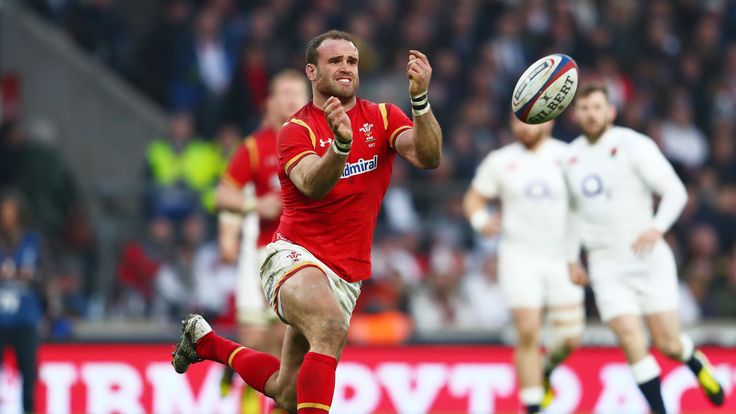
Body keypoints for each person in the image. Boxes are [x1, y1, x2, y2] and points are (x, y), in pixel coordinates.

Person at [172, 29, 442, 413]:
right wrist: (340, 147)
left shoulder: (383, 116)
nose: (346, 68)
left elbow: (429, 157)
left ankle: (206, 343)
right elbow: (312, 184)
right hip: (292, 256)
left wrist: (419, 100)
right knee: (329, 327)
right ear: (312, 73)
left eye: (351, 61)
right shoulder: (294, 130)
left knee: (287, 390)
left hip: (347, 274)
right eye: (335, 61)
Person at [564, 84, 725, 413]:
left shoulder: (633, 145)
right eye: (584, 108)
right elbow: (571, 214)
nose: (591, 114)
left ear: (611, 112)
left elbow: (675, 192)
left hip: (646, 257)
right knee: (629, 336)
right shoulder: (569, 159)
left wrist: (656, 228)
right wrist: (570, 258)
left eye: (597, 107)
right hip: (605, 264)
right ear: (575, 114)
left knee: (667, 343)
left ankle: (694, 361)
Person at [463, 115, 584, 414]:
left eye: (530, 121)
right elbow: (473, 200)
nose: (523, 128)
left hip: (561, 257)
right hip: (519, 256)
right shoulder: (500, 161)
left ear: (549, 122)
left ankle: (544, 371)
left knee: (569, 338)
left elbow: (586, 209)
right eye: (517, 122)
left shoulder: (568, 157)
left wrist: (583, 256)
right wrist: (481, 221)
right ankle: (531, 406)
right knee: (528, 330)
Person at [215, 69, 309, 411]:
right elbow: (223, 197)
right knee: (256, 343)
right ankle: (244, 395)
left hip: (303, 258)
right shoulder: (256, 147)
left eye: (296, 92)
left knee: (286, 345)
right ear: (270, 102)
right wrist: (255, 206)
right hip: (260, 255)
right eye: (283, 93)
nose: (290, 99)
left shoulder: (322, 141)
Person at [0, 191, 44, 414]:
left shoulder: (33, 242)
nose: (6, 218)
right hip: (0, 319)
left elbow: (46, 275)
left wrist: (32, 276)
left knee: (28, 376)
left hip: (25, 320)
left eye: (10, 213)